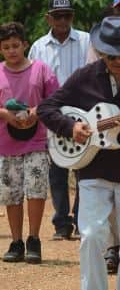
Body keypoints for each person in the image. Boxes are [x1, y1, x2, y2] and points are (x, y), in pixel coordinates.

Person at [39, 16, 120, 289]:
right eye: (111, 56)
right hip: (93, 170)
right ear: (100, 51)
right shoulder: (84, 76)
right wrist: (71, 127)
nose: (118, 61)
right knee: (91, 236)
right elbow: (46, 108)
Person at [28, 0, 90, 241]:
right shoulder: (38, 47)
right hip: (53, 116)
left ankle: (82, 220)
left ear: (72, 16)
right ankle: (62, 223)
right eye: (57, 16)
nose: (63, 20)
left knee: (84, 168)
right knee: (57, 171)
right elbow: (33, 82)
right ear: (48, 18)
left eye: (67, 15)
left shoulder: (87, 41)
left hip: (83, 114)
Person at [0, 23, 59, 264]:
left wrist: (37, 111)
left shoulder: (41, 69)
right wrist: (5, 114)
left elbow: (56, 97)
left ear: (25, 45)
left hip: (37, 140)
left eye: (15, 45)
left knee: (36, 189)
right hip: (6, 144)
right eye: (6, 47)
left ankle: (34, 239)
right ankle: (16, 242)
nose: (11, 51)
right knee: (11, 193)